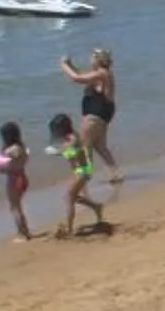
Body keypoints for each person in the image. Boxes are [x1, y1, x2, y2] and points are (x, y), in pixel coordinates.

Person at [59, 44, 120, 183]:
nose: (90, 60)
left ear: (99, 60)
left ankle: (84, 176)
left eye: (92, 57)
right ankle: (115, 173)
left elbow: (77, 78)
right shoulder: (103, 74)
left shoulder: (102, 73)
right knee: (100, 146)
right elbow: (81, 75)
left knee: (85, 146)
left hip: (95, 113)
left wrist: (64, 66)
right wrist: (71, 65)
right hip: (104, 113)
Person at [45, 113, 110, 238]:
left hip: (83, 170)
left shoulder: (72, 138)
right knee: (73, 197)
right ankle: (96, 206)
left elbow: (72, 153)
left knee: (68, 198)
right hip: (80, 170)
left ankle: (69, 228)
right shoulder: (70, 137)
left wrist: (57, 152)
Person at [0, 124, 30, 243]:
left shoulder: (11, 150)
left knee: (14, 208)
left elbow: (6, 164)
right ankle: (25, 230)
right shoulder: (21, 146)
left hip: (14, 180)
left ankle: (22, 234)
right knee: (18, 206)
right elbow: (18, 162)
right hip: (23, 177)